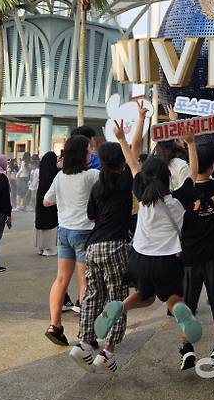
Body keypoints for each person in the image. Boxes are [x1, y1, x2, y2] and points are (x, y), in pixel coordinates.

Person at [92, 122, 202, 368]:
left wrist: (122, 139)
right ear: (168, 178)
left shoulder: (142, 196)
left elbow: (132, 164)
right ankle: (180, 311)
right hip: (167, 260)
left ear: (145, 178)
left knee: (145, 296)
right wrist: (192, 144)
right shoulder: (178, 201)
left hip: (139, 259)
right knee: (173, 298)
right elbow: (193, 174)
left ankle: (120, 306)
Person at [69, 141, 133, 373]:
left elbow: (92, 216)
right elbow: (133, 153)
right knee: (117, 299)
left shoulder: (98, 186)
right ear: (122, 162)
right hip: (115, 245)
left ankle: (84, 345)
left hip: (93, 247)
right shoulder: (125, 181)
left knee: (92, 296)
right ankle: (108, 353)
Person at [176, 119, 214, 372]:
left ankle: (187, 346)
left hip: (189, 255)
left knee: (187, 302)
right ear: (212, 165)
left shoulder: (183, 192)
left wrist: (189, 143)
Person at [43, 135, 100, 345]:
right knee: (85, 282)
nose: (91, 153)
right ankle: (87, 333)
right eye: (89, 150)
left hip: (64, 232)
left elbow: (46, 201)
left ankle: (55, 325)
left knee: (61, 279)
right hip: (85, 232)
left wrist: (64, 201)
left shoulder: (60, 177)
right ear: (81, 154)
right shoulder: (92, 175)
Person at [34, 152, 60, 257]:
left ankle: (41, 248)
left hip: (40, 198)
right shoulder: (55, 173)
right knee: (50, 223)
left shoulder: (42, 172)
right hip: (50, 201)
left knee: (41, 223)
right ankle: (48, 248)